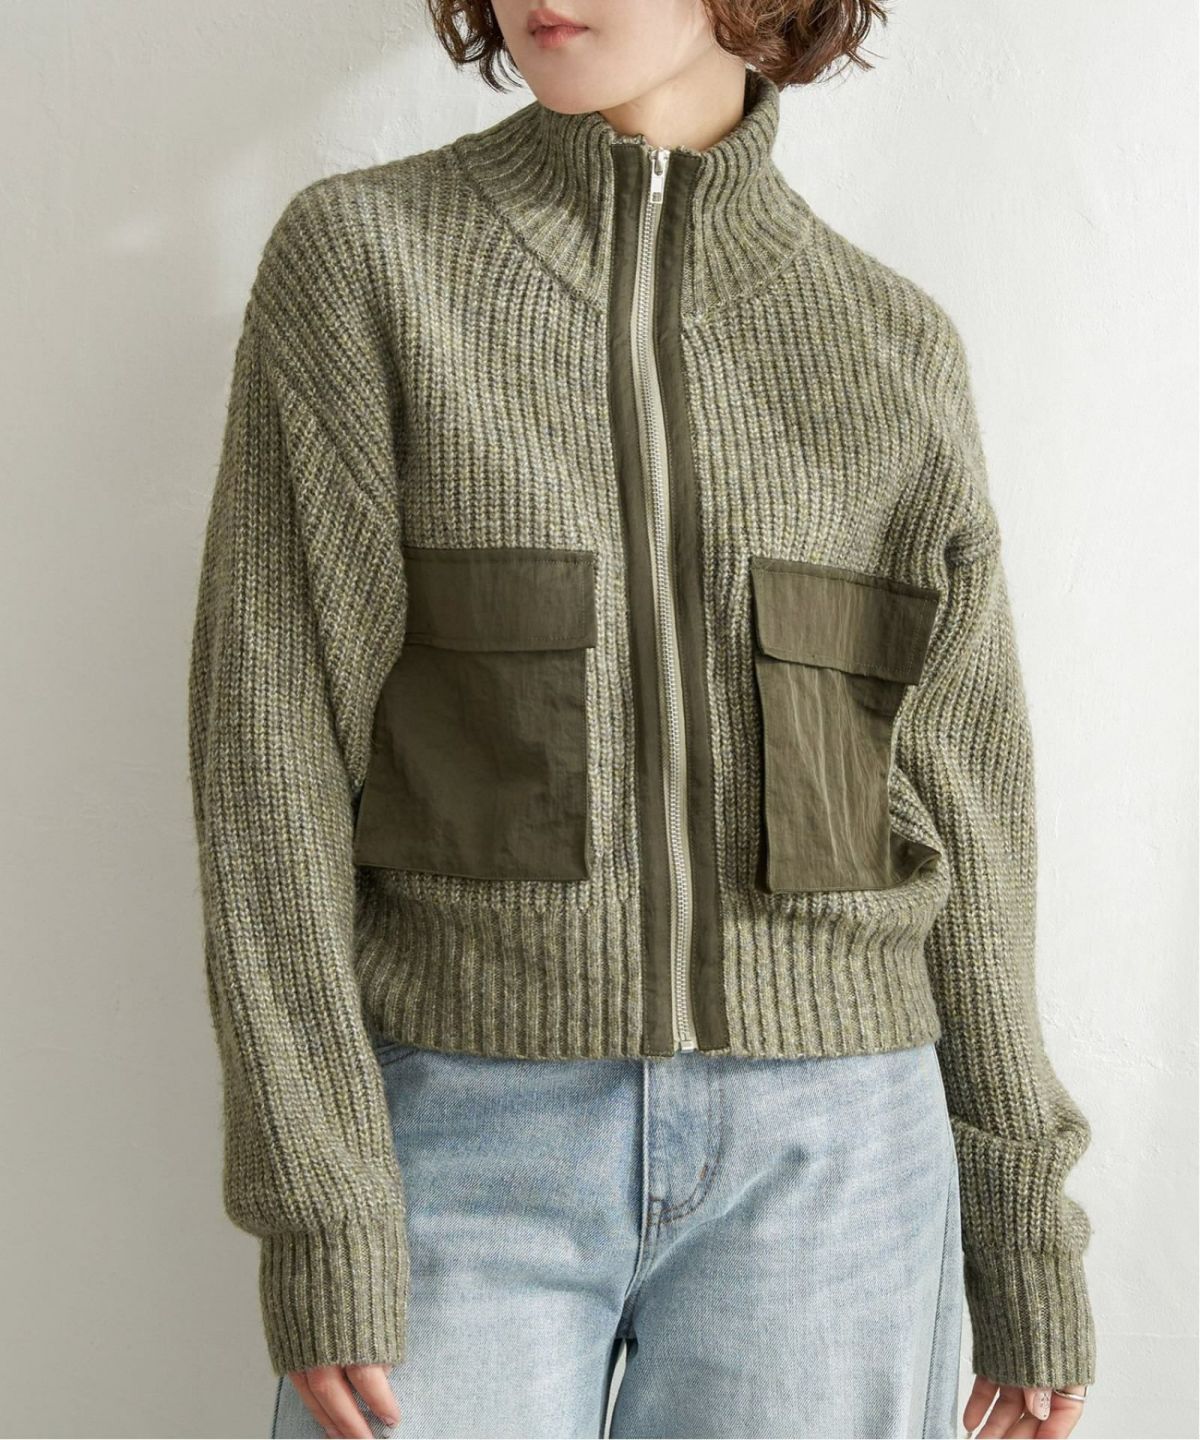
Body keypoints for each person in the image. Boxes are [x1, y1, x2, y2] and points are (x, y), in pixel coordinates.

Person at [186, 2, 1097, 1436]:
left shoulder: (891, 345)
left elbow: (968, 810)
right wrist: (321, 1198)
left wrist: (1025, 1232)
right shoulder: (370, 262)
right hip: (462, 1136)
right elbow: (269, 757)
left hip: (837, 1160)